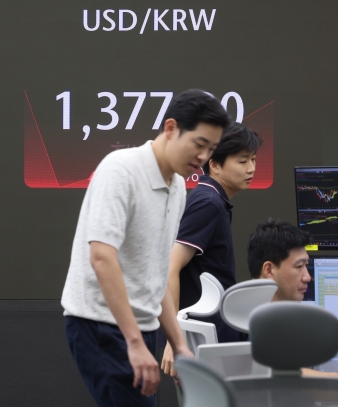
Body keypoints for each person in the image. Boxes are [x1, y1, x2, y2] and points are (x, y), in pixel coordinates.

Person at [61, 89, 230, 406]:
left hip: (140, 328)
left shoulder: (178, 186)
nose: (204, 157)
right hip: (100, 326)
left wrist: (179, 345)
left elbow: (155, 275)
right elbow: (101, 258)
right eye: (198, 144)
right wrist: (134, 342)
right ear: (170, 128)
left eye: (211, 149)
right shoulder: (120, 169)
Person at [162, 123, 261, 377]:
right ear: (214, 164)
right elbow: (170, 267)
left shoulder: (212, 198)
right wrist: (176, 340)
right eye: (242, 161)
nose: (251, 168)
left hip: (212, 341)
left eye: (253, 159)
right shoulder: (208, 202)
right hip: (203, 344)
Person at [247, 219, 338, 380]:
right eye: (299, 267)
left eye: (306, 266)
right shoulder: (249, 323)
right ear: (269, 270)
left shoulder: (276, 316)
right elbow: (290, 380)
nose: (307, 277)